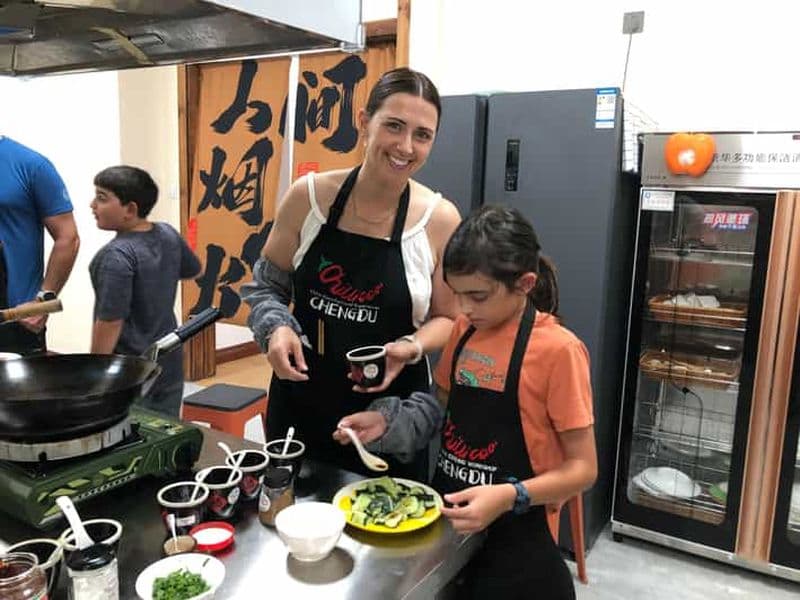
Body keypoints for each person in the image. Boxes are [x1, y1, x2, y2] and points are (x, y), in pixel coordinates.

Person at [334, 205, 597, 599]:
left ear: (524, 284)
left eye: (478, 296)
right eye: (458, 296)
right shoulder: (464, 329)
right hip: (449, 528)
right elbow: (439, 408)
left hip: (519, 543)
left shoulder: (559, 351)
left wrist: (510, 495)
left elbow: (583, 469)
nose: (465, 309)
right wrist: (389, 424)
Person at [241, 67, 461, 478]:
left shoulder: (439, 219)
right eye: (393, 126)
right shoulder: (307, 197)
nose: (405, 146)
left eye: (422, 135)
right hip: (301, 400)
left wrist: (411, 347)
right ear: (364, 122)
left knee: (387, 526)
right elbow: (265, 286)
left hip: (390, 416)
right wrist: (276, 328)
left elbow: (450, 318)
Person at [89, 166, 202, 417]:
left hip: (129, 372)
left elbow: (110, 321)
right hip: (169, 361)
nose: (92, 205)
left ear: (130, 209)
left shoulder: (116, 256)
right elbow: (192, 270)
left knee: (129, 439)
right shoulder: (167, 233)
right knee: (165, 431)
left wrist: (95, 373)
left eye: (101, 197)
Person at [0, 135, 79, 355]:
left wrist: (43, 299)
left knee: (14, 390)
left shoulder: (30, 164)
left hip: (12, 318)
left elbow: (68, 237)